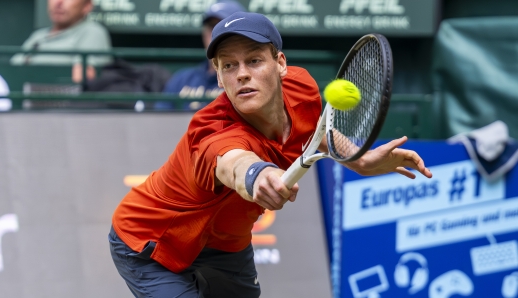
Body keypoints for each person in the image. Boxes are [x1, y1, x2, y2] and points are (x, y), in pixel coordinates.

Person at [109, 12, 433, 298]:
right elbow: (234, 163)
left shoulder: (302, 88)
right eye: (229, 66)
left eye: (253, 60)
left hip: (224, 243)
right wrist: (259, 176)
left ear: (280, 64)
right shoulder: (211, 130)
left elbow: (317, 130)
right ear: (219, 77)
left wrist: (358, 159)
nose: (242, 74)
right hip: (150, 241)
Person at [157, 0, 245, 110]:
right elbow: (159, 121)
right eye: (211, 26)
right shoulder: (182, 79)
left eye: (223, 26)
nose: (215, 33)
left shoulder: (245, 81)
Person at [10, 0, 111, 82]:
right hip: (26, 103)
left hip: (66, 105)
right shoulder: (38, 35)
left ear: (87, 5)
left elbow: (80, 79)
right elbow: (13, 71)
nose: (59, 2)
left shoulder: (92, 32)